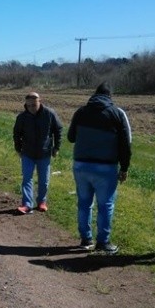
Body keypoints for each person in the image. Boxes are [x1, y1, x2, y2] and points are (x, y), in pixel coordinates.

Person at [67, 82, 132, 254]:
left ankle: (85, 239)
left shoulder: (80, 112)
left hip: (81, 165)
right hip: (106, 167)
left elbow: (71, 137)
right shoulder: (117, 114)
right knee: (105, 205)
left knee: (84, 203)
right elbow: (126, 143)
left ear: (94, 94)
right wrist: (124, 167)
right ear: (110, 96)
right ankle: (103, 242)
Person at [12, 91, 63, 214]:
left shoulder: (49, 114)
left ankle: (41, 202)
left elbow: (58, 129)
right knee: (27, 179)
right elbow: (16, 134)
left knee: (44, 181)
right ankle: (26, 204)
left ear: (40, 102)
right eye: (28, 106)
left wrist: (56, 147)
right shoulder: (22, 117)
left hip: (44, 153)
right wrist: (18, 149)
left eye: (33, 105)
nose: (31, 108)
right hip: (27, 153)